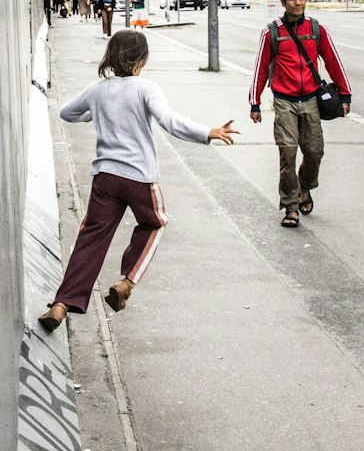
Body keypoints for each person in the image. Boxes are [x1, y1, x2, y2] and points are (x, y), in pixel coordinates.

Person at [40, 30, 236, 331]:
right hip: (139, 178)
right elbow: (169, 122)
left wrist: (96, 113)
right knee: (155, 223)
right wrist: (207, 132)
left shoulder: (97, 89)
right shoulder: (146, 87)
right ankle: (127, 282)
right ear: (141, 61)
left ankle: (61, 304)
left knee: (91, 237)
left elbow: (68, 113)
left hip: (104, 177)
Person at [247, 0, 352, 228]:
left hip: (312, 101)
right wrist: (255, 102)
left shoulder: (316, 29)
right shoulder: (272, 32)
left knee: (314, 152)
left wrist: (346, 94)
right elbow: (260, 69)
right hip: (284, 102)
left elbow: (333, 62)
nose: (298, 3)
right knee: (288, 153)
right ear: (283, 3)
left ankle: (305, 186)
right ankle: (291, 206)